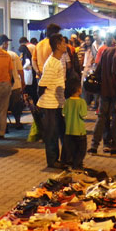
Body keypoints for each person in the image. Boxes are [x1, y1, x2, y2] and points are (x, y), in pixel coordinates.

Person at [36, 34, 67, 169]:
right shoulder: (52, 63)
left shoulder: (57, 60)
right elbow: (42, 85)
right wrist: (41, 100)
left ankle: (62, 159)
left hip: (57, 103)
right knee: (52, 134)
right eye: (64, 43)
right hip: (49, 104)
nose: (66, 45)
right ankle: (53, 161)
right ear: (58, 45)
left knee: (60, 132)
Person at [62, 79, 88, 170]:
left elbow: (63, 114)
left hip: (69, 131)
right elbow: (83, 115)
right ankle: (77, 165)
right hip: (80, 131)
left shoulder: (67, 101)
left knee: (72, 150)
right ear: (79, 90)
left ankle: (74, 164)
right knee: (81, 150)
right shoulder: (82, 102)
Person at [3, 36, 25, 129]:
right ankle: (17, 122)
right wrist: (23, 81)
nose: (7, 45)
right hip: (15, 85)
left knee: (3, 107)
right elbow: (20, 70)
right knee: (16, 106)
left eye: (7, 43)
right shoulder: (13, 55)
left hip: (4, 85)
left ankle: (4, 126)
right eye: (6, 43)